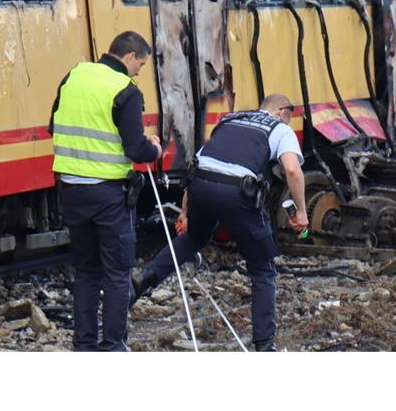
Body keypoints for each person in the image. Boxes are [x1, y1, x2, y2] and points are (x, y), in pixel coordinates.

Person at [132, 93, 309, 352]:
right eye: (290, 117)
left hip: (201, 186)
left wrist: (184, 212)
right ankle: (265, 346)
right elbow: (292, 169)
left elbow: (200, 165)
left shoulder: (229, 121)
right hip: (238, 193)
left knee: (193, 237)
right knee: (262, 268)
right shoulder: (280, 129)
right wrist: (302, 211)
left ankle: (140, 282)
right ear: (282, 111)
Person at [50, 30, 161, 351]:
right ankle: (113, 346)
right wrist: (153, 148)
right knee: (116, 273)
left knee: (86, 271)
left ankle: (84, 345)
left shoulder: (74, 76)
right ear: (129, 57)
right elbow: (136, 150)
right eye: (140, 64)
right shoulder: (124, 90)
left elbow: (55, 126)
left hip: (71, 190)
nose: (139, 70)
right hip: (109, 195)